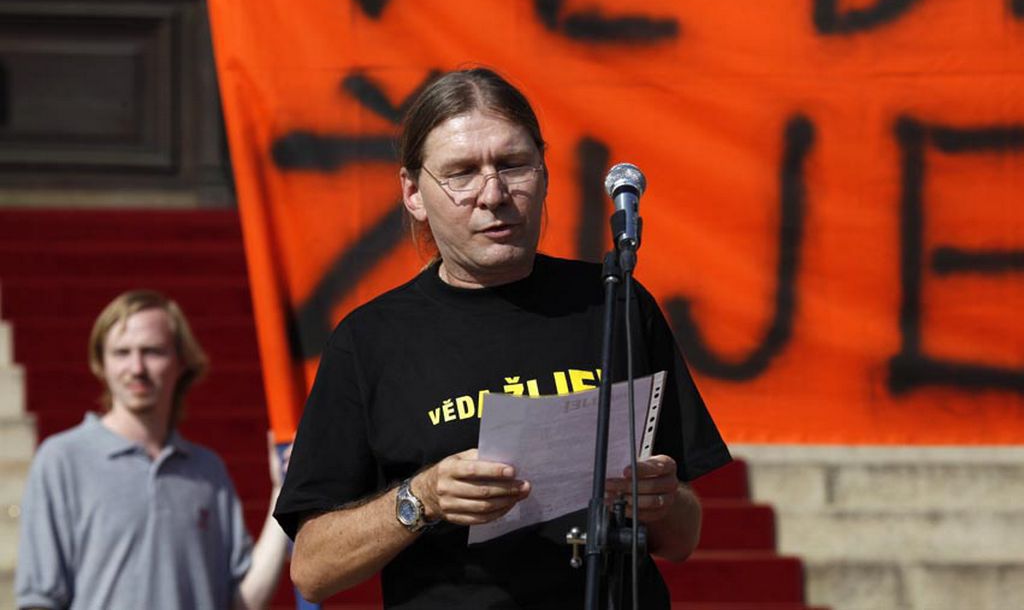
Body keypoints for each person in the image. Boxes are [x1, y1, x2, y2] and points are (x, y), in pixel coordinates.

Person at [274, 67, 732, 608]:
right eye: (462, 173)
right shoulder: (369, 341)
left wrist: (661, 500)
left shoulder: (615, 302)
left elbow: (682, 539)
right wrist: (421, 499)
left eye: (513, 165)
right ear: (413, 193)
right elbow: (313, 570)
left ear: (544, 172)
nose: (494, 194)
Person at [16, 289, 290, 610]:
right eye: (121, 352)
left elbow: (244, 601)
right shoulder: (62, 460)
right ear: (101, 363)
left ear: (181, 362)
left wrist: (281, 491)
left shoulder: (207, 470)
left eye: (153, 351)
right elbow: (39, 600)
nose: (137, 367)